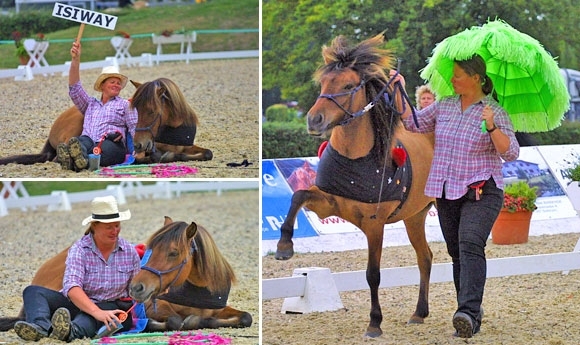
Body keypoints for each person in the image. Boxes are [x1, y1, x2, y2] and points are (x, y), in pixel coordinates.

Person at [393, 54, 520, 338]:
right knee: (456, 252)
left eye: (458, 74)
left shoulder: (494, 111)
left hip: (482, 191)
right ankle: (469, 309)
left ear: (476, 78)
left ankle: (467, 312)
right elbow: (412, 124)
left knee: (470, 243)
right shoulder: (445, 106)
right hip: (447, 190)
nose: (452, 79)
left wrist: (491, 126)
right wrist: (399, 88)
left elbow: (510, 152)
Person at [14, 195, 141, 342]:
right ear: (94, 226)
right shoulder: (79, 249)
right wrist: (96, 311)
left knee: (99, 317)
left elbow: (136, 287)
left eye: (117, 225)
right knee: (32, 291)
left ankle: (69, 331)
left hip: (112, 306)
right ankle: (41, 327)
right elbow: (72, 286)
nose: (115, 231)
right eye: (109, 227)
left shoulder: (128, 251)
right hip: (78, 303)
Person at [56, 41, 138, 171]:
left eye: (119, 83)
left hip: (111, 143)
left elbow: (134, 127)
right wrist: (75, 60)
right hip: (88, 140)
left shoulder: (125, 105)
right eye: (112, 82)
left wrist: (137, 151)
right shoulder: (90, 104)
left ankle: (76, 161)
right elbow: (74, 89)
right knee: (78, 142)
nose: (117, 85)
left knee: (109, 151)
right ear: (102, 86)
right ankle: (78, 159)